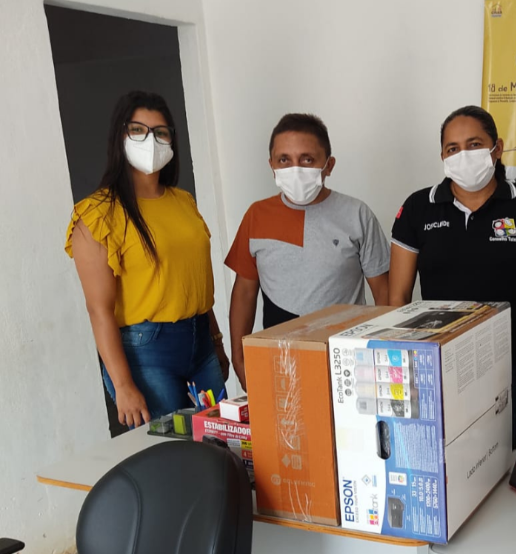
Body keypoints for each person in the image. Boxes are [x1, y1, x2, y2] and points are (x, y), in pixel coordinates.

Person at [389, 105, 516, 554]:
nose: (462, 155)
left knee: (509, 469)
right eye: (452, 148)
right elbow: (397, 299)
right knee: (448, 471)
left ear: (497, 148)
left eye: (474, 144)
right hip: (440, 367)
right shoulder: (419, 208)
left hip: (512, 361)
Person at [66, 91, 229, 429]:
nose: (151, 141)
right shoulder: (98, 213)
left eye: (161, 132)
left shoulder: (183, 202)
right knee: (171, 450)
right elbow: (99, 309)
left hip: (200, 342)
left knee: (222, 444)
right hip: (147, 353)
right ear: (120, 136)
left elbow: (191, 281)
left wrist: (215, 341)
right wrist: (123, 385)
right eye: (138, 130)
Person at [226, 113, 391, 390]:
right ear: (271, 165)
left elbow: (384, 294)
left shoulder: (357, 214)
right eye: (284, 160)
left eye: (307, 159)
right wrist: (239, 357)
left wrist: (383, 353)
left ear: (329, 165)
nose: (295, 169)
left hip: (347, 364)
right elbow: (244, 292)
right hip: (279, 362)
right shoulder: (257, 215)